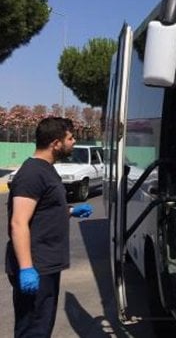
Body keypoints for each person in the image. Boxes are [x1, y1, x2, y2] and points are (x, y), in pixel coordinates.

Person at [5, 117, 94, 337]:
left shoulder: (47, 169)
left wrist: (71, 211)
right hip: (37, 266)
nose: (74, 142)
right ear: (56, 143)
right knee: (33, 330)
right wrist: (26, 268)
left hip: (46, 265)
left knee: (42, 326)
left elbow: (43, 209)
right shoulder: (32, 173)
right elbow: (19, 222)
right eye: (70, 138)